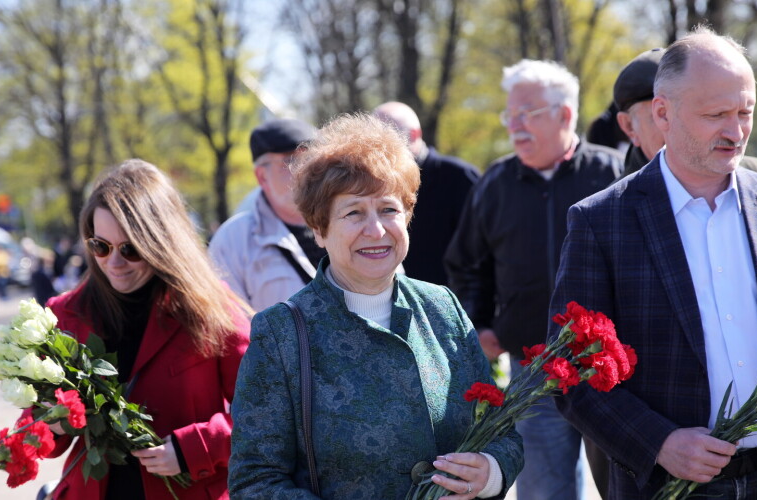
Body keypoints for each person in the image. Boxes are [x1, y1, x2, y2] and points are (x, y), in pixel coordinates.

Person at [550, 28, 757, 499]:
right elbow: (567, 369)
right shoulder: (602, 221)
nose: (736, 131)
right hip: (670, 486)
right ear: (663, 112)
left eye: (745, 113)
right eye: (716, 114)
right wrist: (658, 441)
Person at [229, 113, 523, 499]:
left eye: (388, 209)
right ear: (319, 229)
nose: (376, 230)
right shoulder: (281, 334)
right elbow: (254, 481)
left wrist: (491, 472)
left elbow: (502, 432)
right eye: (353, 213)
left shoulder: (442, 309)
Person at [445, 59, 621, 500]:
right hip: (533, 368)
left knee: (627, 488)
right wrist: (480, 323)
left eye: (527, 114)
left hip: (614, 370)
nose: (515, 126)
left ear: (564, 114)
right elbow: (467, 264)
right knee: (543, 490)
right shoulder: (495, 183)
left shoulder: (614, 174)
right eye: (510, 115)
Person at [43, 159, 251, 499]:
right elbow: (39, 434)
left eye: (130, 249)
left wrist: (193, 449)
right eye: (100, 246)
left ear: (162, 243)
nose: (114, 262)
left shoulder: (213, 310)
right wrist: (51, 422)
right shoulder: (64, 315)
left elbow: (267, 416)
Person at [613, 48, 757, 186]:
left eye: (743, 113)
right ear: (629, 126)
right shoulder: (608, 218)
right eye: (663, 116)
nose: (734, 133)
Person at [209, 118, 325, 312]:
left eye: (311, 159)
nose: (305, 170)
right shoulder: (234, 241)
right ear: (262, 176)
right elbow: (230, 326)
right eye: (291, 161)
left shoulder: (349, 221)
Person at [372, 101, 480, 286]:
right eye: (374, 140)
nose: (381, 150)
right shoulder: (370, 185)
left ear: (414, 135)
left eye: (389, 139)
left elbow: (482, 251)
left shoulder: (459, 177)